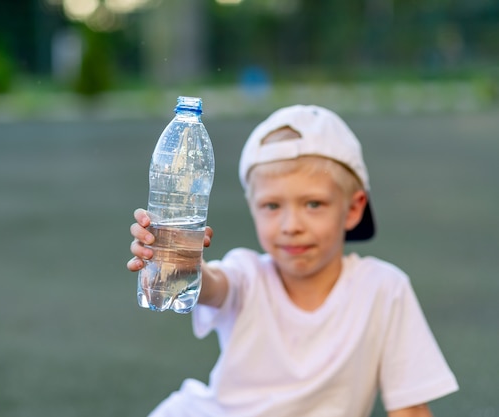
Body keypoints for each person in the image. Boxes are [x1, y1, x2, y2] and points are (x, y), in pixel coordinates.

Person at [127, 104, 458, 417]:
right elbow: (213, 286)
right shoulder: (247, 275)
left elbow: (411, 409)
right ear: (252, 207)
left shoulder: (384, 290)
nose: (291, 226)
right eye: (272, 206)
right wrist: (183, 262)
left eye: (313, 204)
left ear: (354, 208)